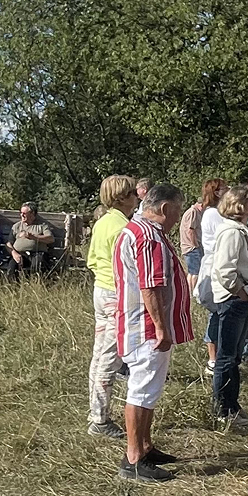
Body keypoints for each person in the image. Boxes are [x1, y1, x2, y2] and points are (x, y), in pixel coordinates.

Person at [113, 183, 192, 482]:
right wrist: (160, 326)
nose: (177, 217)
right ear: (165, 209)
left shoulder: (139, 231)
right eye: (177, 210)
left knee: (149, 388)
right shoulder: (148, 236)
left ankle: (144, 446)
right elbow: (151, 284)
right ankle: (133, 457)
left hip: (140, 324)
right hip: (145, 327)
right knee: (142, 389)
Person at [86, 175, 139, 440]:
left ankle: (95, 412)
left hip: (101, 289)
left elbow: (92, 260)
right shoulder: (122, 228)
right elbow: (129, 267)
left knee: (100, 354)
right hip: (116, 294)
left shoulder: (103, 222)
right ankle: (99, 419)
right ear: (120, 198)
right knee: (109, 358)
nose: (137, 197)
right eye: (131, 193)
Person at [209, 184, 248, 422]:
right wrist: (241, 293)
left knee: (234, 356)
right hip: (233, 300)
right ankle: (223, 409)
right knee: (227, 356)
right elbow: (224, 270)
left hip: (240, 299)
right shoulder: (231, 233)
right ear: (240, 205)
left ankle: (231, 405)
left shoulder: (240, 230)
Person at [197, 178, 229, 374]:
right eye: (226, 188)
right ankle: (212, 358)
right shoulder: (212, 214)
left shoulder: (216, 213)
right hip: (214, 266)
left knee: (219, 312)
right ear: (217, 192)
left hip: (218, 264)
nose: (229, 190)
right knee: (216, 313)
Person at [7, 202, 54, 276]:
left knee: (37, 266)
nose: (21, 215)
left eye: (24, 213)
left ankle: (35, 285)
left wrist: (33, 237)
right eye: (21, 212)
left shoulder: (41, 226)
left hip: (37, 253)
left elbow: (50, 239)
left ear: (32, 214)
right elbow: (9, 243)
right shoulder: (16, 226)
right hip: (20, 254)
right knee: (12, 267)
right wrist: (14, 253)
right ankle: (11, 286)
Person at [179, 189, 206, 292]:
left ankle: (190, 292)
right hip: (191, 247)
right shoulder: (193, 212)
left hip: (189, 247)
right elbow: (191, 230)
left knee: (192, 272)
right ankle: (194, 292)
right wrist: (196, 245)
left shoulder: (193, 211)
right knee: (196, 272)